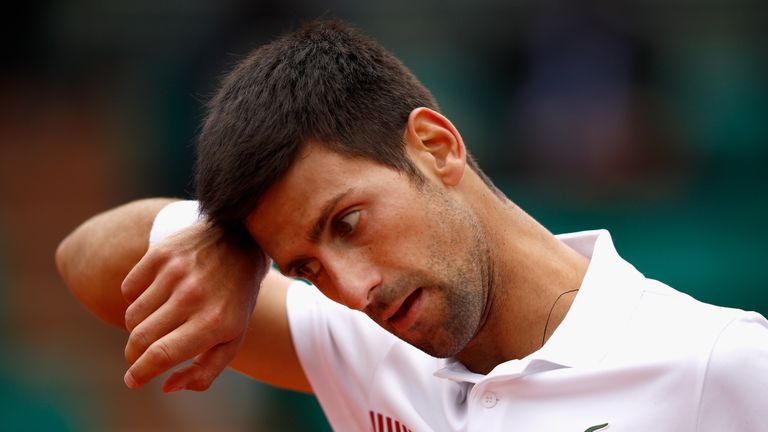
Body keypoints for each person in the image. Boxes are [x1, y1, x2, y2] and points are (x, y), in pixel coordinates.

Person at [55, 20, 768, 431]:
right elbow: (87, 262)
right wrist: (229, 240)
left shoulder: (726, 364)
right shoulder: (362, 336)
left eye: (349, 221)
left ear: (436, 146)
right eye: (304, 267)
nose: (353, 288)